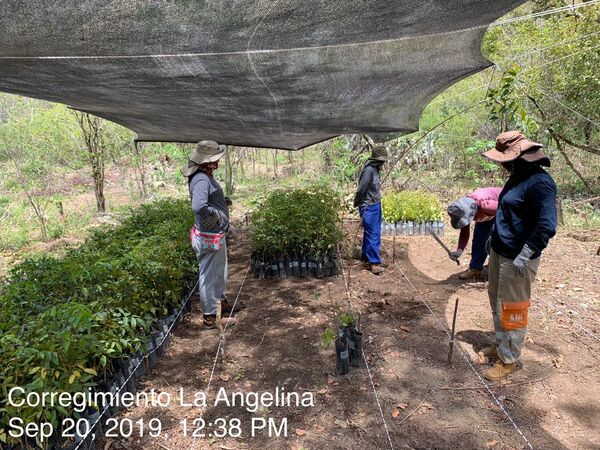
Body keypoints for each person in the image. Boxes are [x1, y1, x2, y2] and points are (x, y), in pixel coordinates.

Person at [480, 131, 557, 381]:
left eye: (504, 159)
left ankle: (509, 359)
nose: (501, 164)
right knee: (497, 302)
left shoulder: (540, 183)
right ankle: (501, 345)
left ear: (519, 157)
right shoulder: (516, 178)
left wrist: (527, 252)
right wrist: (494, 237)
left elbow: (546, 225)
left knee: (512, 308)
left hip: (519, 258)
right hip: (501, 252)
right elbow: (508, 212)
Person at [182, 141, 240, 329]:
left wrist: (221, 202)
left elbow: (206, 199)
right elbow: (198, 206)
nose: (217, 163)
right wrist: (215, 214)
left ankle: (220, 306)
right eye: (215, 160)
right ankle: (210, 316)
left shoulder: (204, 177)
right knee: (208, 274)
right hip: (208, 236)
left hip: (213, 235)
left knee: (218, 271)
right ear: (207, 162)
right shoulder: (201, 179)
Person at [447, 187, 502, 280]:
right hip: (487, 215)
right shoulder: (463, 211)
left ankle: (494, 268)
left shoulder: (487, 205)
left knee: (496, 242)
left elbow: (508, 209)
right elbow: (464, 234)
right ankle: (476, 269)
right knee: (479, 239)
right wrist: (459, 251)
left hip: (501, 212)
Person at [354, 145, 388, 274]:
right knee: (373, 234)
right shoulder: (368, 170)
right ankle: (374, 263)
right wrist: (357, 203)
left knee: (371, 233)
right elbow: (361, 188)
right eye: (381, 160)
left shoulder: (376, 169)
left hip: (376, 204)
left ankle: (365, 257)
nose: (383, 162)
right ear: (376, 160)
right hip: (368, 206)